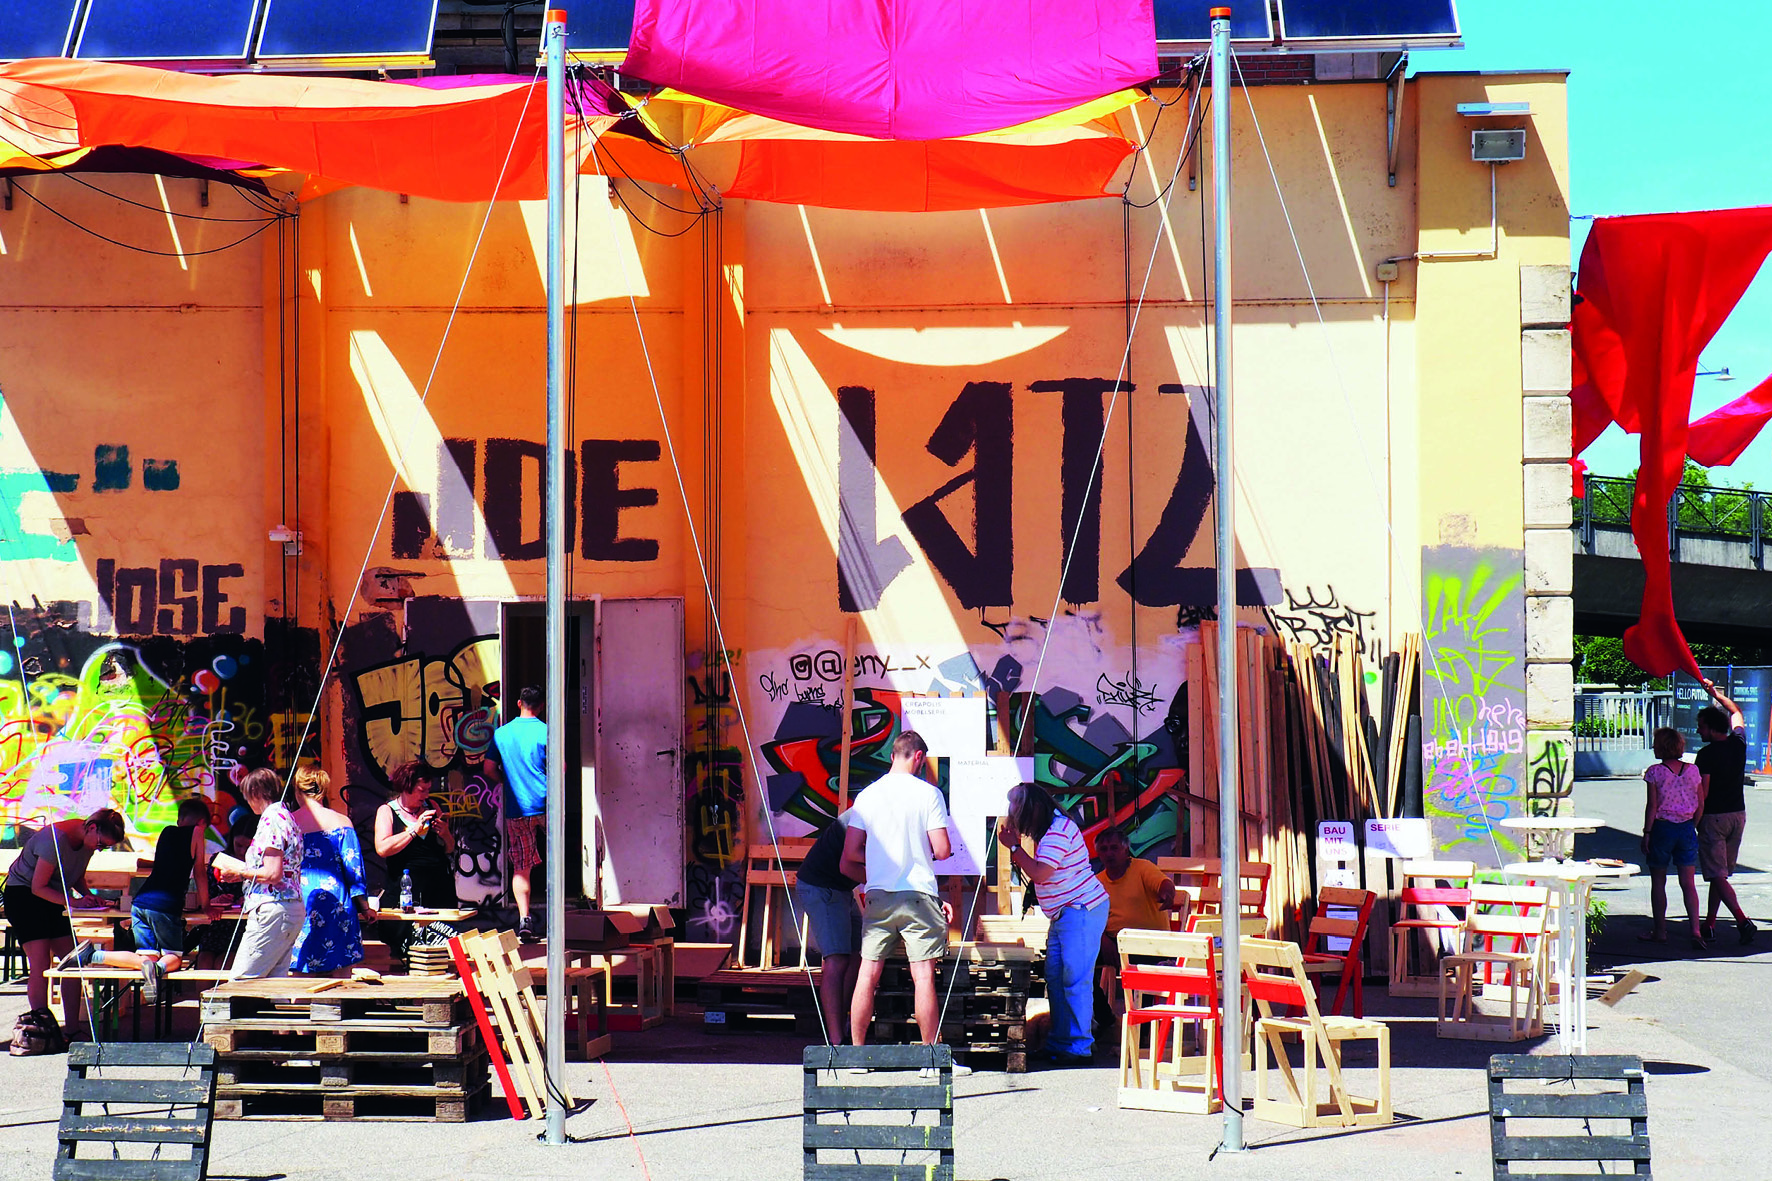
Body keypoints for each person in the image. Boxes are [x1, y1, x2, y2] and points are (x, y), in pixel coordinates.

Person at [841, 732, 955, 1050]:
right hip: (918, 895)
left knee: (868, 974)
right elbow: (943, 850)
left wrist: (879, 859)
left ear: (893, 755)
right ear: (918, 757)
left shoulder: (867, 796)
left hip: (877, 894)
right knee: (922, 977)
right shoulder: (928, 794)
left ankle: (857, 1056)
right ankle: (930, 1058)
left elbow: (851, 851)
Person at [998, 783, 1110, 1066]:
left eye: (1017, 812)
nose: (1015, 819)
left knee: (1074, 979)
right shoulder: (1050, 832)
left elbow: (1041, 873)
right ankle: (1061, 1042)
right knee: (1056, 978)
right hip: (1065, 913)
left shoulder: (1059, 830)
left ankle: (1078, 1046)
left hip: (1081, 910)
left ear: (1031, 811)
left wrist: (1013, 846)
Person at [4, 808, 126, 1052]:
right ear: (92, 827)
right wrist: (73, 902)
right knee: (40, 964)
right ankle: (42, 1027)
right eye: (101, 843)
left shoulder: (88, 842)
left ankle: (71, 1028)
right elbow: (38, 887)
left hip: (55, 896)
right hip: (26, 896)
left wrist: (90, 897)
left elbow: (76, 874)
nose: (99, 849)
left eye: (105, 847)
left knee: (73, 961)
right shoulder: (54, 841)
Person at [77, 796, 212, 1003]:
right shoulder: (197, 832)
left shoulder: (167, 832)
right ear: (202, 823)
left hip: (140, 903)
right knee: (175, 956)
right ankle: (158, 969)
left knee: (145, 957)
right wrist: (206, 906)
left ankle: (92, 956)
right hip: (166, 905)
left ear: (179, 819)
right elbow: (200, 873)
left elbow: (164, 864)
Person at [214, 767, 306, 979]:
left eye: (247, 795)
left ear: (256, 792)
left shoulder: (271, 819)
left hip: (272, 907)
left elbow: (273, 873)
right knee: (273, 981)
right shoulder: (286, 816)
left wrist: (241, 871)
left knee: (242, 980)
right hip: (289, 906)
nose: (247, 802)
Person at [1092, 826, 1182, 1031]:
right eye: (1104, 849)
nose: (1109, 853)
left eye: (1114, 848)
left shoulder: (1142, 867)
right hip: (1115, 943)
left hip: (1150, 944)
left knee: (1143, 980)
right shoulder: (1097, 882)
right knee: (1075, 965)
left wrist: (1168, 895)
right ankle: (1106, 1020)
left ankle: (1142, 1033)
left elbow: (1164, 884)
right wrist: (1103, 940)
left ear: (1126, 850)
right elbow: (1093, 920)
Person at [289, 766, 371, 977]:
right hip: (338, 904)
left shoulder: (288, 824)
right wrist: (365, 907)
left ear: (298, 791)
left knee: (300, 970)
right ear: (323, 791)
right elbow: (354, 872)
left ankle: (296, 1010)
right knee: (341, 975)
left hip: (299, 904)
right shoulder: (342, 822)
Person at [1694, 678, 1757, 946]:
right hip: (1737, 815)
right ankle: (1709, 923)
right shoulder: (1738, 743)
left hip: (1714, 818)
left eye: (1701, 727)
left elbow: (1703, 792)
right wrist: (1716, 694)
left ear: (1711, 729)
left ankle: (1742, 921)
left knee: (1716, 873)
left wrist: (1694, 820)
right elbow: (1737, 713)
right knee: (1720, 874)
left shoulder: (1705, 755)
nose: (1699, 731)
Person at [794, 809, 864, 1044]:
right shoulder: (870, 815)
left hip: (841, 888)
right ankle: (835, 1042)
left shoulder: (882, 809)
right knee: (837, 959)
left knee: (858, 955)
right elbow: (848, 866)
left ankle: (842, 1027)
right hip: (821, 886)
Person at [1640, 727, 1706, 949]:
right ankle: (1695, 930)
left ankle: (1660, 931)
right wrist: (1692, 825)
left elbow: (1652, 806)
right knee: (1688, 883)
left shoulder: (1655, 772)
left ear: (1661, 747)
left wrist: (1647, 832)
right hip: (1686, 827)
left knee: (1658, 881)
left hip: (1662, 827)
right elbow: (1700, 803)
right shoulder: (1693, 770)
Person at [491, 686, 547, 942]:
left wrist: (507, 780)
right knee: (558, 862)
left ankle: (525, 919)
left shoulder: (502, 734)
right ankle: (562, 919)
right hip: (548, 805)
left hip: (517, 809)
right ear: (542, 706)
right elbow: (563, 767)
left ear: (518, 703)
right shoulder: (547, 731)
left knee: (521, 868)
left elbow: (488, 767)